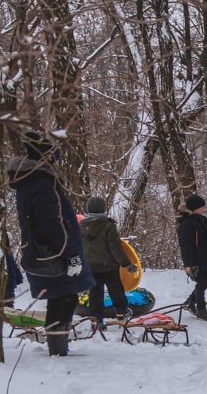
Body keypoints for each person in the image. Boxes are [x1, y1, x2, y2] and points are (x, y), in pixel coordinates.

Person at [8, 131, 94, 356]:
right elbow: (52, 226)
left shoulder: (33, 183)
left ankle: (60, 346)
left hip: (44, 252)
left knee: (66, 297)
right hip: (51, 254)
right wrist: (70, 253)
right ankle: (57, 350)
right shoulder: (41, 185)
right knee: (61, 299)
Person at [80, 196, 136, 328]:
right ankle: (122, 312)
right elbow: (115, 248)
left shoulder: (81, 226)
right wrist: (126, 264)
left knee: (95, 293)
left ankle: (96, 319)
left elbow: (79, 247)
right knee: (116, 290)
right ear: (103, 209)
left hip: (91, 267)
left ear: (87, 209)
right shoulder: (108, 225)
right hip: (109, 266)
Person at [177, 194, 207, 321]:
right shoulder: (187, 223)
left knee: (206, 281)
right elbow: (185, 245)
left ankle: (190, 302)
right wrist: (188, 264)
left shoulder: (201, 219)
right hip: (196, 259)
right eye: (202, 207)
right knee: (203, 282)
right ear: (194, 208)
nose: (204, 208)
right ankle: (201, 309)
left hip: (205, 257)